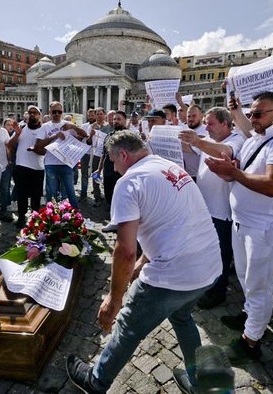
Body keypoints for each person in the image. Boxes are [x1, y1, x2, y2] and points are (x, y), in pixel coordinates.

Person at [66, 131, 221, 394]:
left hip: (172, 274)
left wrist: (114, 300)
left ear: (124, 155)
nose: (114, 168)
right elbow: (168, 221)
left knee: (128, 326)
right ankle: (199, 382)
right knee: (182, 315)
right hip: (208, 266)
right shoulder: (170, 166)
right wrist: (141, 262)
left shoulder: (129, 182)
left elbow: (124, 249)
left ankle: (97, 381)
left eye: (114, 162)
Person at [206, 91, 273, 362]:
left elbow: (272, 185)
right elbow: (243, 171)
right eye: (251, 113)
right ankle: (250, 316)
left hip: (265, 225)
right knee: (246, 277)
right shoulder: (256, 139)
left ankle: (252, 341)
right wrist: (229, 169)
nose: (252, 118)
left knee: (260, 282)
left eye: (258, 114)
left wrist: (233, 172)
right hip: (243, 220)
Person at [179, 107, 247, 309]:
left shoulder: (237, 140)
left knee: (220, 255)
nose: (206, 127)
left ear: (225, 123)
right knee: (206, 252)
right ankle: (206, 286)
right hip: (204, 208)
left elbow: (224, 152)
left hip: (221, 211)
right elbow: (189, 149)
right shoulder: (209, 140)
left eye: (210, 123)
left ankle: (217, 293)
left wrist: (197, 140)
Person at [33, 101, 88, 209]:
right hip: (51, 164)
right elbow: (37, 146)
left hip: (66, 163)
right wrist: (54, 136)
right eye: (54, 111)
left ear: (62, 112)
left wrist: (74, 127)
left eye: (59, 111)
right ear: (50, 112)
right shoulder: (44, 126)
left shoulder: (67, 125)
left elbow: (85, 135)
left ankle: (75, 217)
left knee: (70, 192)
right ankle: (51, 217)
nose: (57, 114)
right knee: (51, 193)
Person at [9, 106, 45, 228]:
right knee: (22, 194)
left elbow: (45, 151)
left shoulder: (44, 130)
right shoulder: (22, 128)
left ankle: (35, 217)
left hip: (37, 167)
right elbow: (9, 144)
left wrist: (36, 150)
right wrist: (16, 135)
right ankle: (21, 216)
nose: (32, 115)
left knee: (36, 195)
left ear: (39, 115)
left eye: (35, 113)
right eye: (30, 113)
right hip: (21, 166)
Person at [94, 111, 127, 205]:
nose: (116, 121)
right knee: (109, 198)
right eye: (114, 119)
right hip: (108, 173)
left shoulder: (130, 136)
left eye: (119, 119)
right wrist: (99, 169)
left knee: (121, 200)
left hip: (122, 174)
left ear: (125, 121)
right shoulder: (108, 136)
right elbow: (104, 154)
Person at [81, 107, 111, 205]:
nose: (99, 116)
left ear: (104, 115)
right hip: (93, 153)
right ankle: (89, 195)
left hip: (104, 154)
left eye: (100, 114)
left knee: (98, 174)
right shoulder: (92, 126)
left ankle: (98, 195)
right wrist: (91, 135)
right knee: (92, 173)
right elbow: (88, 142)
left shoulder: (109, 127)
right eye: (97, 114)